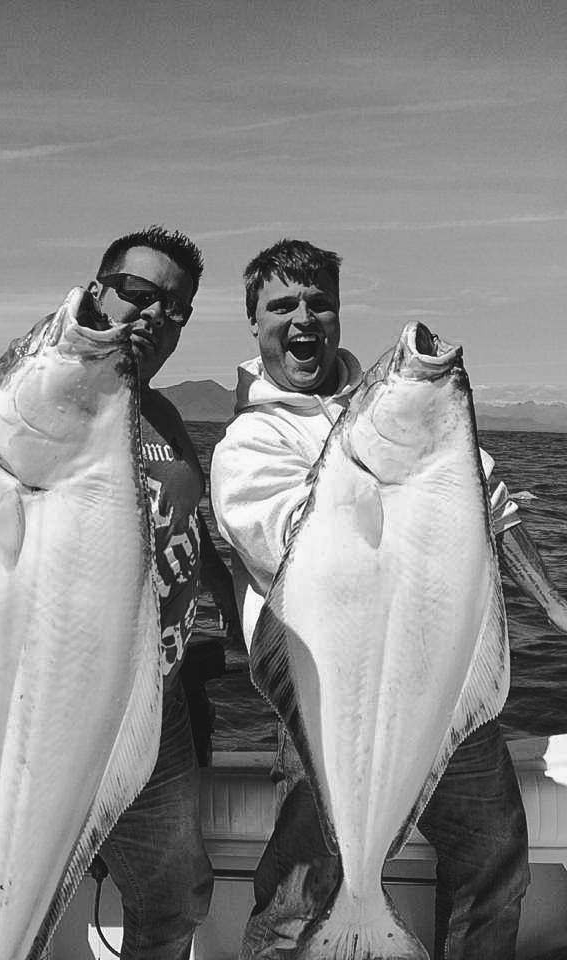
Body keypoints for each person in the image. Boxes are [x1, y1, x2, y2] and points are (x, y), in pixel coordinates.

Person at [209, 238, 530, 960]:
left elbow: (477, 503)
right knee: (300, 897)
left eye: (319, 303)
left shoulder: (411, 418)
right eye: (281, 305)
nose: (303, 319)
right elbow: (304, 550)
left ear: (339, 314)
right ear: (254, 324)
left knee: (494, 860)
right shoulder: (250, 442)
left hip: (444, 683)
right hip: (334, 698)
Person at [0, 225, 240, 960]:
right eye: (137, 295)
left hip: (155, 708)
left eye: (174, 308)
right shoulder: (34, 399)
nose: (153, 317)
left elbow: (193, 531)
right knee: (3, 892)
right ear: (98, 291)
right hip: (40, 707)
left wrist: (237, 621)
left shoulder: (171, 419)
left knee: (175, 894)